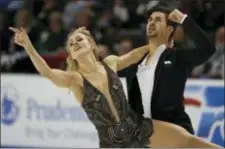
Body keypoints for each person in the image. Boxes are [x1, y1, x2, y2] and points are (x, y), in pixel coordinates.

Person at [9, 26, 221, 148]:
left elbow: (132, 56)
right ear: (71, 55)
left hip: (139, 127)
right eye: (71, 44)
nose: (75, 43)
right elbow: (47, 73)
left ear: (92, 45)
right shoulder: (76, 80)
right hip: (113, 143)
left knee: (188, 142)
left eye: (79, 39)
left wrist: (157, 46)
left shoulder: (109, 63)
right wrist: (28, 45)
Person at [119, 6, 216, 135]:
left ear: (169, 29)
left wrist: (184, 20)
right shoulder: (134, 63)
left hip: (174, 133)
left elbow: (207, 49)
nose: (152, 22)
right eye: (150, 19)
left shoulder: (177, 57)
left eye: (158, 20)